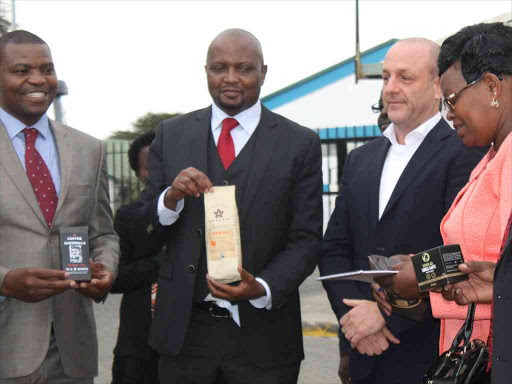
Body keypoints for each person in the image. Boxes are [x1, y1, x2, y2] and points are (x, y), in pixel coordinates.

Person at [132, 29, 322, 383]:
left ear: (263, 72)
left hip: (265, 336)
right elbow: (141, 230)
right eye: (219, 68)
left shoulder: (300, 143)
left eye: (244, 68)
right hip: (184, 336)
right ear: (206, 70)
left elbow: (307, 238)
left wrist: (263, 287)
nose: (231, 78)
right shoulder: (171, 135)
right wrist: (168, 201)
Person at [318, 38, 485, 384]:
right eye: (385, 77)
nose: (390, 89)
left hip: (429, 354)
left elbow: (460, 255)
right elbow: (334, 248)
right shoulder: (360, 160)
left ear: (438, 85)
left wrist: (383, 316)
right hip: (362, 352)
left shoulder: (465, 153)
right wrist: (357, 316)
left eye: (405, 78)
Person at [373, 22, 512, 384]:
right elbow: (484, 263)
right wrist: (423, 271)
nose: (448, 113)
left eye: (452, 99)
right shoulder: (491, 157)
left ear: (492, 86)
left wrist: (420, 274)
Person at [0, 30, 119, 383]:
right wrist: (5, 282)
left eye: (47, 69)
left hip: (71, 353)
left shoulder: (88, 149)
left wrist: (106, 272)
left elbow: (104, 234)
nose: (38, 80)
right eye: (21, 70)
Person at [111, 131, 164, 384]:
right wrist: (162, 264)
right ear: (140, 175)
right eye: (152, 165)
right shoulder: (128, 217)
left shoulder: (204, 214)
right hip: (138, 347)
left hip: (193, 349)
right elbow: (114, 278)